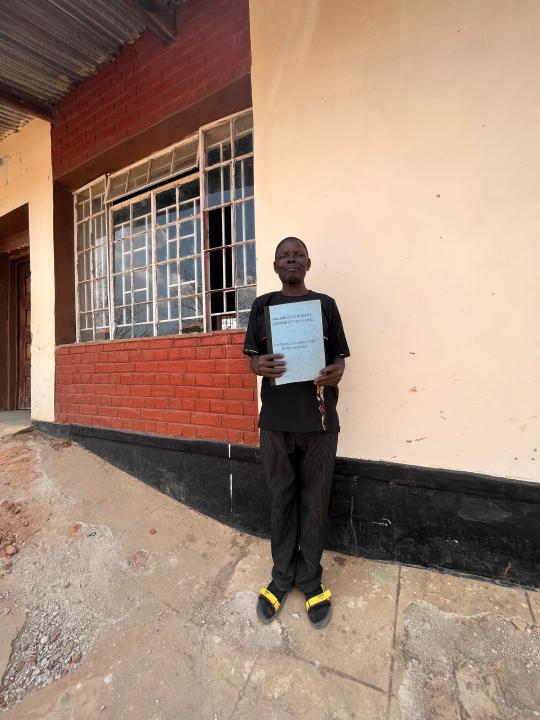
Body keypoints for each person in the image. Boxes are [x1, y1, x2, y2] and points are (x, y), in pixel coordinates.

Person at [243, 236, 350, 629]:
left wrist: (338, 369)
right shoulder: (263, 306)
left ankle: (310, 579)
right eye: (284, 256)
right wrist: (259, 367)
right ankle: (281, 577)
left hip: (319, 422)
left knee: (315, 502)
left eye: (298, 255)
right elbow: (251, 358)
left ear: (308, 263)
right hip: (275, 422)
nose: (291, 260)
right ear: (275, 266)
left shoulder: (325, 306)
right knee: (280, 501)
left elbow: (339, 356)